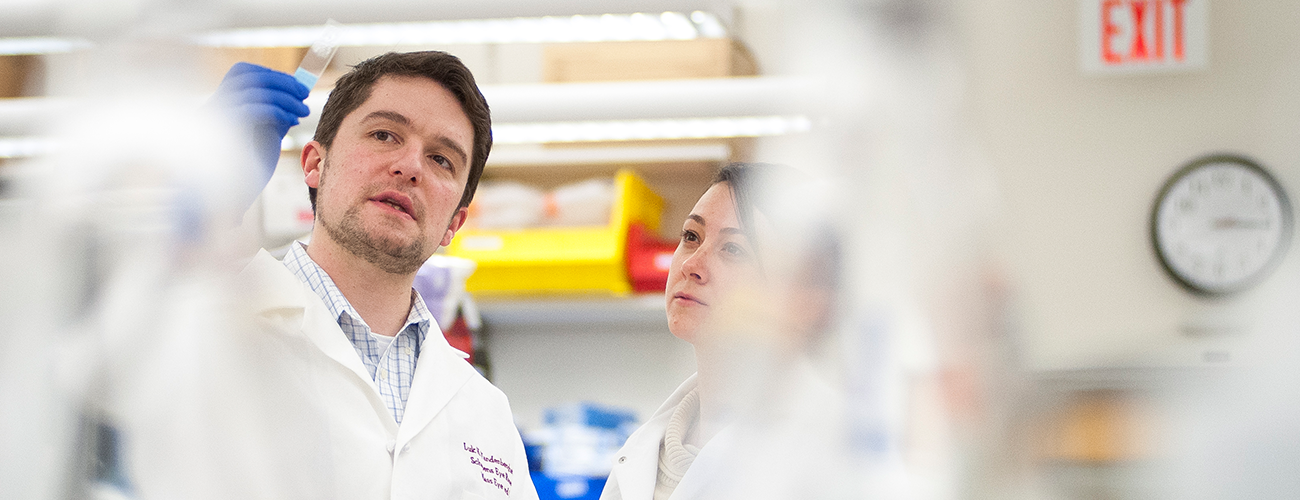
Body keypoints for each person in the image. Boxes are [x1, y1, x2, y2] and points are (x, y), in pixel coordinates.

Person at [219, 52, 537, 499]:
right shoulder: (209, 322)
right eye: (384, 134)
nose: (410, 167)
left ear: (453, 224)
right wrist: (189, 200)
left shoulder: (485, 414)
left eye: (442, 159)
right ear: (314, 164)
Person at [600, 162, 851, 500]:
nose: (692, 265)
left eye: (733, 250)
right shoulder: (644, 454)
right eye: (691, 236)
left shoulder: (832, 452)